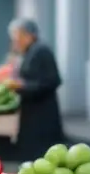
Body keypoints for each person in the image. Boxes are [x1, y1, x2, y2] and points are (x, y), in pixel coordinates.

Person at [5, 18, 64, 160]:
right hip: (31, 114)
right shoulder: (28, 52)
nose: (15, 41)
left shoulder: (42, 51)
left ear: (28, 35)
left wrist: (23, 86)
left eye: (17, 36)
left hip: (43, 116)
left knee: (43, 155)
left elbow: (53, 80)